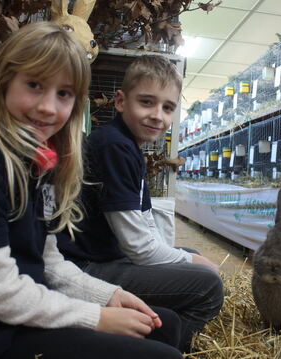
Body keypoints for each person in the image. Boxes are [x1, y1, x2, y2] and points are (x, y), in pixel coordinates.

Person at [0, 22, 184, 359]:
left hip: (24, 307)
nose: (47, 107)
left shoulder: (37, 161)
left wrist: (107, 295)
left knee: (166, 326)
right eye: (33, 85)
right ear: (2, 83)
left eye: (64, 94)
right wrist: (96, 317)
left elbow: (48, 260)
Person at [57, 55, 224, 352]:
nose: (158, 115)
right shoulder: (115, 146)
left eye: (167, 107)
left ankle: (160, 331)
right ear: (121, 101)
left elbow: (145, 226)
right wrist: (192, 263)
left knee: (193, 256)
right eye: (146, 102)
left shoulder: (128, 146)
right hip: (86, 267)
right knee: (208, 286)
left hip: (106, 257)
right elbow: (138, 247)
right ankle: (165, 347)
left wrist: (188, 258)